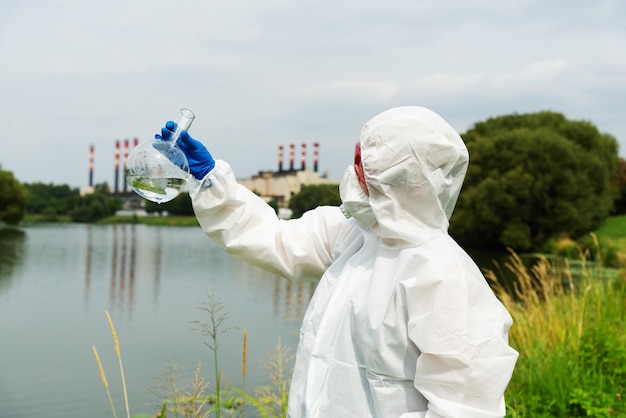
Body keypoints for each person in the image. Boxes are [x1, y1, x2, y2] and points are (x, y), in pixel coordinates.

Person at [157, 106, 518, 417]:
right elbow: (274, 239)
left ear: (398, 175)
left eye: (364, 159)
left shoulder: (441, 274)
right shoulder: (355, 235)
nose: (355, 166)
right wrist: (210, 180)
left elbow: (465, 407)